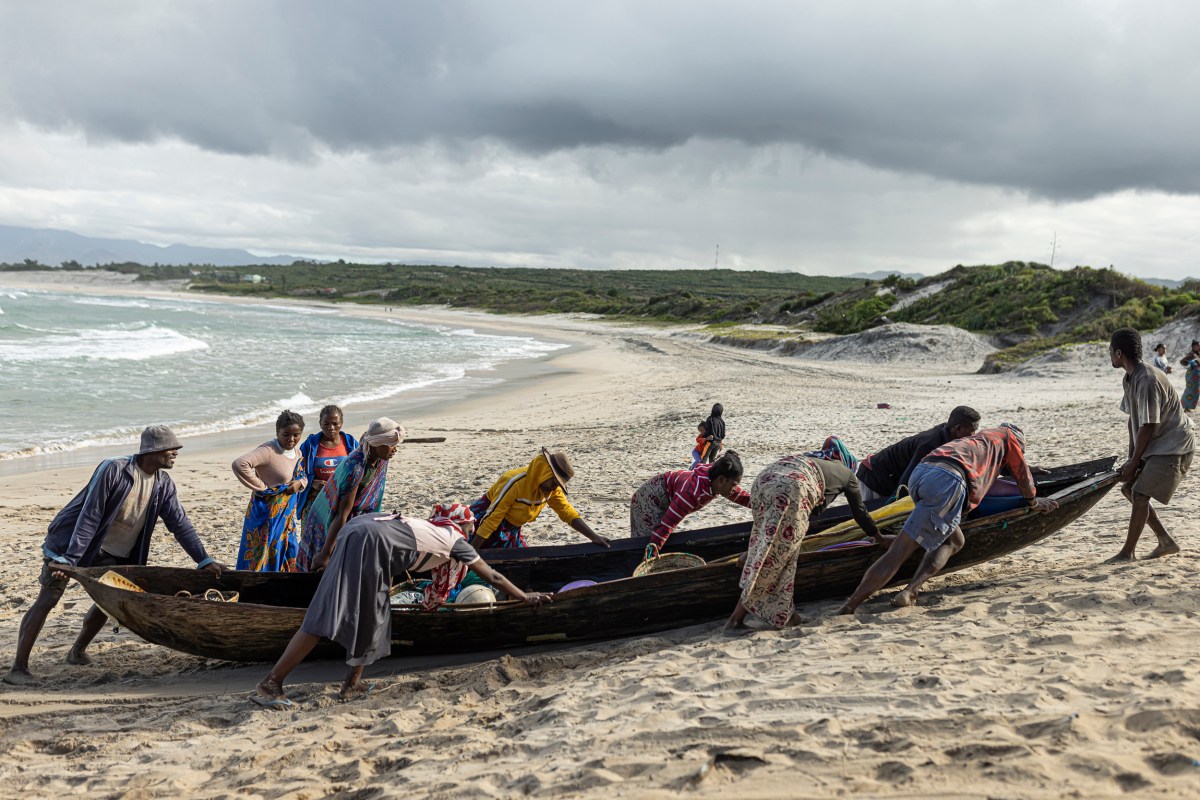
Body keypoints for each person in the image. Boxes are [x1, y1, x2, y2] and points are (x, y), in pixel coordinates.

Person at [251, 504, 551, 707]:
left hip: (361, 530)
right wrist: (525, 596)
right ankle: (271, 684)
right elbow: (493, 575)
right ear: (464, 524)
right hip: (368, 541)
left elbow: (402, 549)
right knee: (327, 614)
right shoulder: (455, 540)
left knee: (373, 615)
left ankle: (351, 685)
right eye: (470, 526)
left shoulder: (432, 528)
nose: (471, 531)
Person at [4, 426, 227, 686]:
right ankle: (18, 668)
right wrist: (69, 561)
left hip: (115, 553)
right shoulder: (114, 470)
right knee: (48, 599)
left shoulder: (163, 484)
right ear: (152, 450)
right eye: (171, 448)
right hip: (70, 546)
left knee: (108, 599)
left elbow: (180, 524)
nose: (176, 452)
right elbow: (90, 516)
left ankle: (77, 652)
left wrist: (203, 559)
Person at [837, 423, 1057, 614]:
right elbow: (1021, 476)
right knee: (900, 551)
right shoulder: (1009, 438)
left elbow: (997, 468)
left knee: (954, 540)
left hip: (922, 473)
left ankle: (911, 591)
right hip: (947, 481)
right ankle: (850, 606)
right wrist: (1034, 502)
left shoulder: (982, 439)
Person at [724, 451, 885, 632]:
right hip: (790, 489)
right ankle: (735, 621)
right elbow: (859, 512)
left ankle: (788, 614)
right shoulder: (848, 475)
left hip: (762, 482)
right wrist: (878, 537)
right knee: (776, 560)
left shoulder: (813, 460)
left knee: (773, 549)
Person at [1109, 328, 1195, 561]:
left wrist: (1136, 461)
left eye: (1110, 350)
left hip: (1174, 446)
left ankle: (1127, 553)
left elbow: (1148, 425)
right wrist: (1131, 460)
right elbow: (1132, 421)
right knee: (1129, 489)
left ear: (1118, 353)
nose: (1109, 355)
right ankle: (1165, 541)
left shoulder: (1147, 379)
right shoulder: (1129, 378)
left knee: (1139, 494)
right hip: (1157, 444)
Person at [299, 418, 404, 571]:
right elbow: (342, 514)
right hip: (328, 520)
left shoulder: (381, 460)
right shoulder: (356, 467)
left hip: (355, 519)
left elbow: (374, 498)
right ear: (377, 443)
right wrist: (325, 553)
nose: (395, 449)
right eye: (391, 445)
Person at [468, 448, 610, 549]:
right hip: (484, 521)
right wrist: (471, 554)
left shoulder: (550, 489)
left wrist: (594, 537)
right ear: (544, 472)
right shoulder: (514, 483)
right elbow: (491, 519)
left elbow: (567, 512)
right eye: (554, 483)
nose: (555, 488)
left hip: (510, 529)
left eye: (558, 485)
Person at [631, 451, 751, 556]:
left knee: (662, 540)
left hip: (668, 496)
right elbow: (667, 526)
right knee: (645, 543)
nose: (735, 489)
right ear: (720, 480)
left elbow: (743, 498)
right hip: (648, 498)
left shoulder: (715, 480)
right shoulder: (691, 493)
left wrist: (765, 505)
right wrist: (650, 555)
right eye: (734, 485)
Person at [232, 410, 308, 572]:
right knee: (261, 553)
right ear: (277, 432)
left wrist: (300, 483)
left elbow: (302, 475)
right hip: (265, 516)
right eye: (286, 434)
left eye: (296, 435)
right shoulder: (268, 450)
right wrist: (263, 488)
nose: (291, 439)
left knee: (288, 549)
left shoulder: (298, 452)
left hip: (286, 518)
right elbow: (240, 464)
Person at [855, 406, 982, 502]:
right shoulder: (930, 444)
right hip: (874, 476)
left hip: (890, 475)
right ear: (958, 428)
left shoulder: (947, 434)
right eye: (972, 431)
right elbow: (907, 480)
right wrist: (896, 502)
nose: (974, 435)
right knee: (878, 518)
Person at [296, 405, 360, 516]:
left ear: (342, 423)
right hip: (315, 498)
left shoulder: (351, 443)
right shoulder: (309, 445)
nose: (331, 427)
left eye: (335, 423)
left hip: (344, 498)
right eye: (326, 424)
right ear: (320, 423)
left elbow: (360, 468)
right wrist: (313, 482)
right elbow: (297, 471)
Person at [1180, 340, 1200, 412]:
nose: (1199, 347)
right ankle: (1185, 407)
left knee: (1196, 391)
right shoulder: (1191, 354)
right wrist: (1189, 366)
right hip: (1192, 376)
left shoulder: (1197, 354)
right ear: (1194, 346)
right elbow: (1182, 361)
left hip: (1197, 377)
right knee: (1190, 390)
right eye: (1198, 345)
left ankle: (1189, 407)